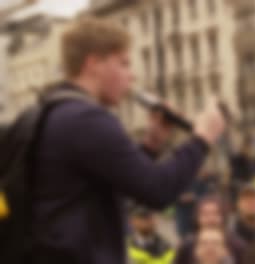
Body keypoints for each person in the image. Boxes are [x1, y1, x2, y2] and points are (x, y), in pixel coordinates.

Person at [29, 18, 226, 264]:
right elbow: (158, 191)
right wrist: (202, 139)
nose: (131, 76)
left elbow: (127, 190)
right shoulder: (87, 119)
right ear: (93, 64)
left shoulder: (54, 111)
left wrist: (151, 144)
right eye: (123, 63)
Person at [174, 196, 245, 264]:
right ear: (197, 218)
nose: (210, 219)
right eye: (205, 214)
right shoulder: (187, 246)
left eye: (216, 214)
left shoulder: (237, 246)